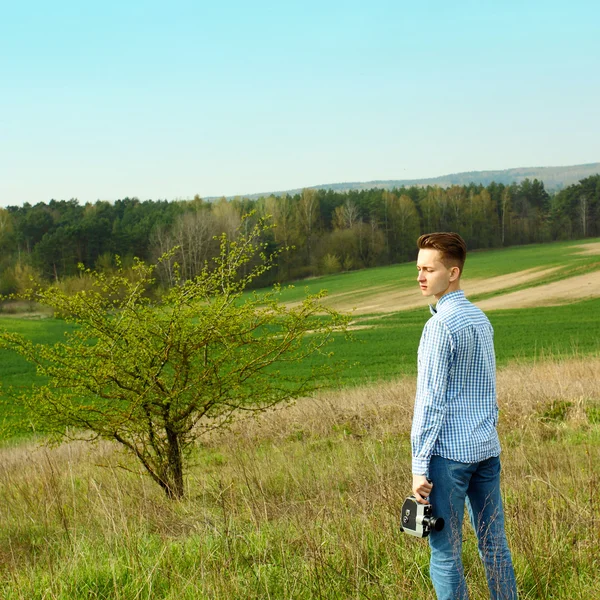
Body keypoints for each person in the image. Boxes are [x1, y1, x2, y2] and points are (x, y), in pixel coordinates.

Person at [411, 232, 517, 600]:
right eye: (419, 269)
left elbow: (430, 401)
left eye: (430, 269)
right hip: (486, 449)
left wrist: (419, 464)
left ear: (453, 272)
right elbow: (489, 389)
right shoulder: (480, 318)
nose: (421, 276)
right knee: (495, 545)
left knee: (444, 554)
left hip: (449, 458)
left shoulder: (439, 326)